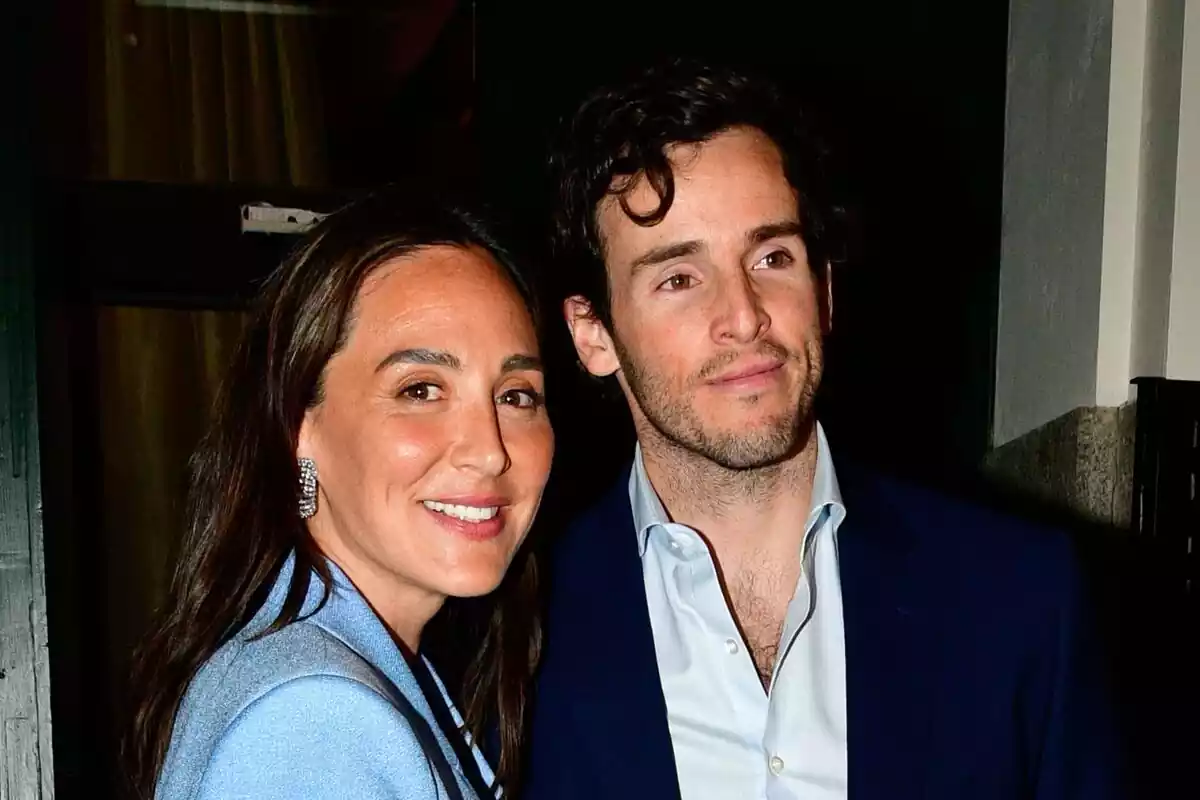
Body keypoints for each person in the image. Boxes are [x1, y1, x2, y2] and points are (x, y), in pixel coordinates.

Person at [523, 58, 1124, 800]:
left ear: (826, 290)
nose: (743, 315)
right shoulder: (514, 632)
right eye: (679, 278)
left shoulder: (1022, 597)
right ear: (593, 335)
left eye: (773, 256)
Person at [122, 190, 554, 800]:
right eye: (421, 389)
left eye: (516, 395)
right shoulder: (317, 721)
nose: (489, 449)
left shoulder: (328, 666)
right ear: (302, 427)